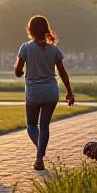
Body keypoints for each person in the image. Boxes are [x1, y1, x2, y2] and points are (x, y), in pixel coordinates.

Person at [15, 16, 76, 171]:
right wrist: (69, 92)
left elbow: (18, 71)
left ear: (30, 30)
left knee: (31, 125)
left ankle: (40, 153)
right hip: (51, 91)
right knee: (44, 126)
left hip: (34, 92)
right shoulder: (54, 49)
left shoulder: (26, 47)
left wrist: (21, 71)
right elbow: (62, 72)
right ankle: (39, 156)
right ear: (46, 30)